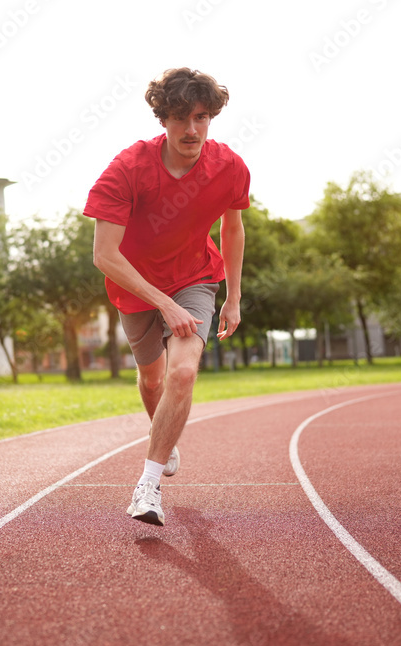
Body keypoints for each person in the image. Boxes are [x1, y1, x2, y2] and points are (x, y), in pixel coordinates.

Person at [86, 67, 250, 526]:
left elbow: (232, 227)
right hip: (134, 285)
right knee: (154, 381)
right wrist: (163, 301)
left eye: (201, 117)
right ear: (162, 119)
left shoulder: (230, 167)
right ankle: (166, 433)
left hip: (196, 276)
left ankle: (147, 487)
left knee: (182, 373)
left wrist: (233, 298)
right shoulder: (127, 169)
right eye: (180, 118)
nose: (192, 129)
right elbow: (104, 254)